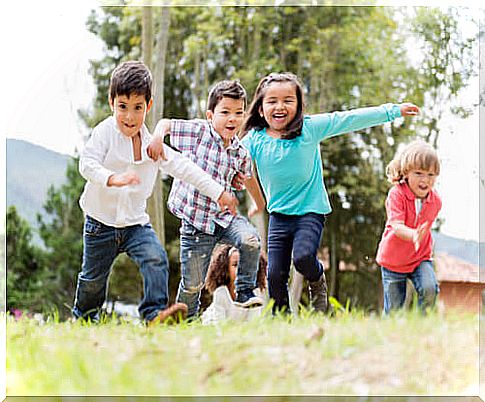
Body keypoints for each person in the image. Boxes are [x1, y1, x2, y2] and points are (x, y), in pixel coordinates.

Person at [239, 72, 421, 314]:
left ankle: (318, 280)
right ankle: (281, 320)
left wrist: (393, 111)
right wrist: (251, 198)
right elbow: (232, 160)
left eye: (287, 100)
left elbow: (349, 119)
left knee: (303, 258)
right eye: (272, 101)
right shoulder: (254, 140)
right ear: (261, 109)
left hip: (310, 211)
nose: (280, 106)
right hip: (279, 216)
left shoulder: (309, 129)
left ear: (299, 105)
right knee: (274, 275)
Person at [72, 61, 238, 325]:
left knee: (156, 258)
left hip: (135, 224)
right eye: (122, 107)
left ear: (148, 106)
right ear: (112, 102)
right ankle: (83, 319)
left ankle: (153, 316)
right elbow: (87, 163)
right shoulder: (105, 132)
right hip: (99, 224)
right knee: (93, 279)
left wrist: (219, 193)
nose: (129, 116)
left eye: (137, 108)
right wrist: (112, 178)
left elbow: (185, 168)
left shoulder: (153, 145)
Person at [147, 80, 266, 319]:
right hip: (196, 224)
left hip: (225, 219)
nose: (232, 119)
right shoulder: (200, 132)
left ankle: (244, 290)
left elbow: (249, 177)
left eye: (238, 113)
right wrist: (158, 136)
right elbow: (167, 124)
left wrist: (259, 204)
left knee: (251, 240)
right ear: (211, 115)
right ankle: (183, 321)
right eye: (225, 113)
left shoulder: (240, 152)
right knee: (193, 284)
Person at [376, 140, 441, 314]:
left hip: (420, 258)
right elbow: (396, 226)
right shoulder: (396, 194)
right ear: (406, 172)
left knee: (429, 289)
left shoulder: (436, 202)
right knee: (394, 310)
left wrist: (420, 239)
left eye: (431, 174)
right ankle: (392, 337)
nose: (425, 180)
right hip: (393, 261)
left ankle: (421, 328)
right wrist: (413, 234)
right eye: (419, 173)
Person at [202, 245, 267, 325]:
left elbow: (253, 323)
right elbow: (219, 323)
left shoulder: (255, 293)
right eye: (235, 265)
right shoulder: (221, 292)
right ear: (226, 268)